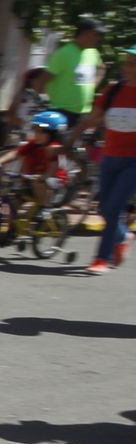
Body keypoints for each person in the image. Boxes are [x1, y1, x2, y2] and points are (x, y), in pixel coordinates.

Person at [66, 44, 136, 274]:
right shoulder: (113, 90)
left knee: (114, 207)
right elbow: (92, 119)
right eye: (126, 62)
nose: (126, 67)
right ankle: (123, 236)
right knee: (104, 209)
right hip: (110, 157)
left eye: (132, 63)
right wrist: (69, 140)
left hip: (133, 161)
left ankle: (101, 259)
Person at [0, 110, 71, 214]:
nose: (37, 135)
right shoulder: (33, 144)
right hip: (32, 183)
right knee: (12, 204)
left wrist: (43, 177)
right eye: (35, 131)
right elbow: (16, 154)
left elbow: (53, 169)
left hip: (54, 187)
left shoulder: (54, 149)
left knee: (38, 183)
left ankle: (43, 210)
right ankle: (11, 229)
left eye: (41, 132)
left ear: (53, 134)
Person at [45, 17, 105, 126]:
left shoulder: (93, 52)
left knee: (77, 143)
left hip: (84, 113)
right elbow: (43, 79)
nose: (98, 38)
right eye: (96, 34)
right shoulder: (64, 53)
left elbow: (101, 68)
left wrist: (93, 84)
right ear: (86, 33)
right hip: (61, 112)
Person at [9, 66, 49, 135]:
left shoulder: (48, 97)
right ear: (31, 80)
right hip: (22, 135)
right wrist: (22, 123)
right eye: (41, 79)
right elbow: (10, 114)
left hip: (41, 137)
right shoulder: (23, 94)